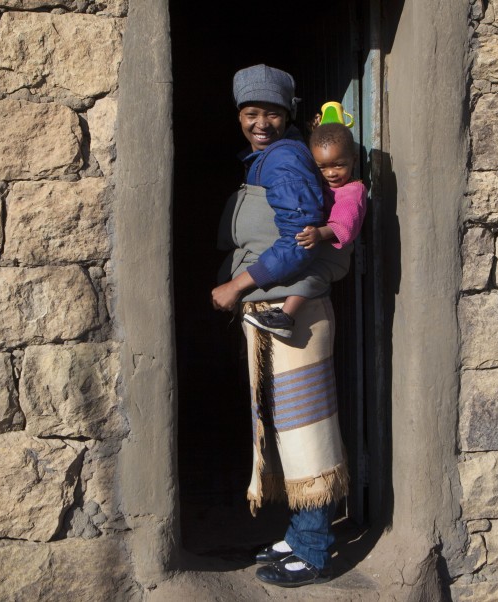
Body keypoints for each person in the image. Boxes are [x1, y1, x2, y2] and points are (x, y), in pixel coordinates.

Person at [212, 64, 351, 588]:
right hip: (274, 319)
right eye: (251, 113)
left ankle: (314, 551)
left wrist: (236, 285)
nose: (261, 122)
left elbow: (299, 238)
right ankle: (299, 534)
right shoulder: (267, 158)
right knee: (289, 429)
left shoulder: (286, 159)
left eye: (271, 112)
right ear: (240, 116)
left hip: (294, 321)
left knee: (304, 430)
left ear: (287, 115)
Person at [243, 119, 367, 338]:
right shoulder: (318, 184)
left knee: (311, 275)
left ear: (353, 160)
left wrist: (320, 234)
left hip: (333, 253)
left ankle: (285, 317)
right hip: (319, 245)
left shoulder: (352, 192)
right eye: (322, 167)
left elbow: (345, 226)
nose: (331, 173)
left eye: (339, 165)